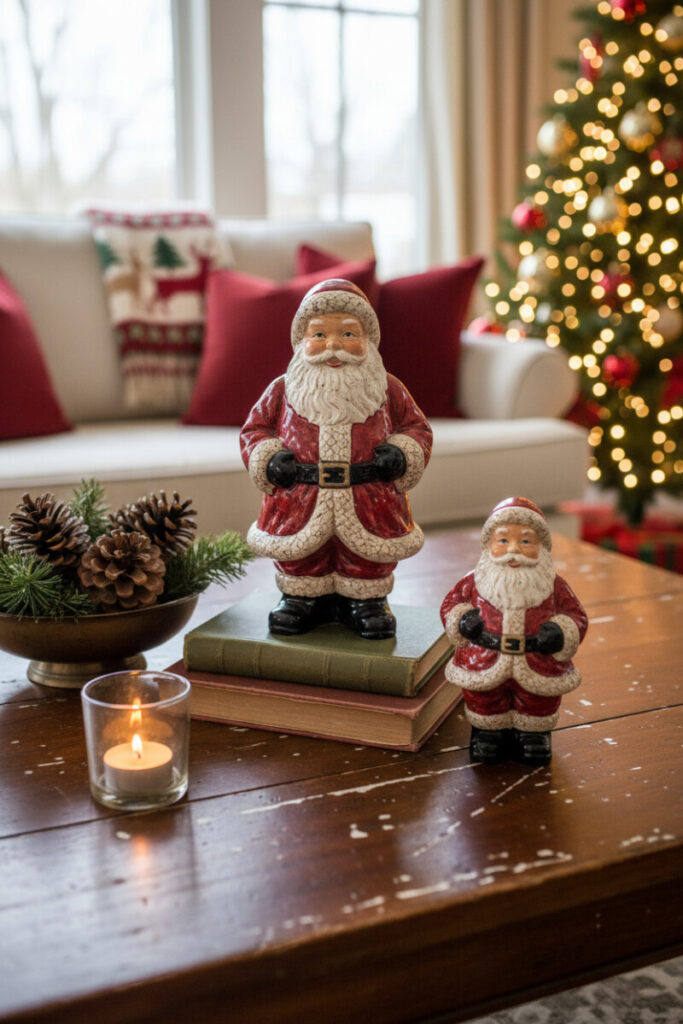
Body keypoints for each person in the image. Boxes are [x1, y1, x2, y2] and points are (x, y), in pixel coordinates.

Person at [240, 278, 432, 639]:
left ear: (368, 341)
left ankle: (366, 602)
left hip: (369, 496)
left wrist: (403, 452)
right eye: (319, 335)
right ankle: (300, 599)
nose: (333, 347)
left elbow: (416, 428)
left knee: (366, 556)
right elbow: (255, 430)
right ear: (302, 342)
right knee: (301, 555)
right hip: (299, 497)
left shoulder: (388, 388)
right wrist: (268, 459)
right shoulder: (283, 389)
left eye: (347, 335)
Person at [440, 496, 588, 764]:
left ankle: (534, 734)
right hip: (483, 658)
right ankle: (487, 733)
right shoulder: (474, 581)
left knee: (537, 700)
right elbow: (451, 604)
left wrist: (561, 631)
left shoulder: (554, 585)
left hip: (538, 660)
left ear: (541, 546)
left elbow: (575, 615)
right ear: (489, 544)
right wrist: (462, 620)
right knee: (484, 698)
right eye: (504, 540)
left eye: (526, 541)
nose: (514, 550)